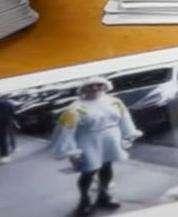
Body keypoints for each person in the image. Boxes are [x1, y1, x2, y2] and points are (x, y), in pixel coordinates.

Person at [52, 76, 142, 216]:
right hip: (88, 142)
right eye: (90, 86)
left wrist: (129, 134)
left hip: (110, 141)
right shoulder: (74, 108)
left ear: (105, 86)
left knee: (107, 167)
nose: (95, 88)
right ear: (83, 89)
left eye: (99, 85)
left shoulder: (115, 102)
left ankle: (104, 197)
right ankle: (84, 201)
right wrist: (72, 151)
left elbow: (125, 118)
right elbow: (67, 130)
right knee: (88, 171)